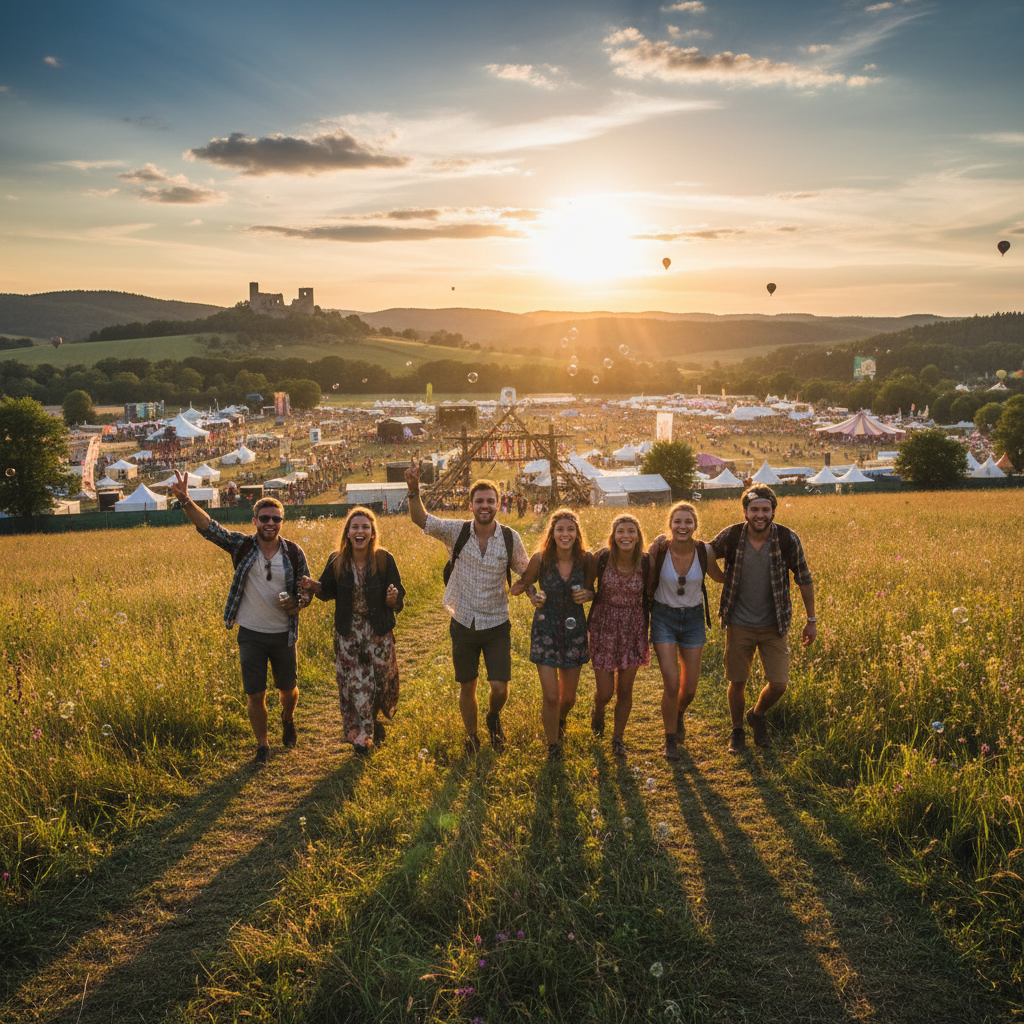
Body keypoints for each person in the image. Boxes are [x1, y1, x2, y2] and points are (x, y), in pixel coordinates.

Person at [169, 471, 310, 767]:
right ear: (255, 521)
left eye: (275, 519)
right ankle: (262, 746)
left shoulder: (295, 553)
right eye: (264, 518)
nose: (270, 523)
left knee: (288, 691)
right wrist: (186, 502)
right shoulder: (243, 546)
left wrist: (297, 603)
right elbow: (211, 528)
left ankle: (287, 718)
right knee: (255, 694)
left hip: (283, 634)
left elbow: (306, 592)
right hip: (251, 634)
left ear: (281, 522)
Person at [405, 465, 529, 754]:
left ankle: (493, 716)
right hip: (463, 620)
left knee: (499, 687)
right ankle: (472, 737)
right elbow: (421, 519)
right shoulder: (456, 531)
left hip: (497, 622)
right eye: (479, 501)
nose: (485, 506)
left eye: (490, 501)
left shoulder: (510, 537)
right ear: (470, 504)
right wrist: (413, 489)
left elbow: (524, 570)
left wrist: (531, 590)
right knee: (468, 685)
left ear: (498, 504)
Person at [709, 485, 816, 754]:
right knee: (738, 681)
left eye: (765, 510)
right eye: (754, 509)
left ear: (773, 511)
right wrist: (718, 576)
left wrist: (811, 619)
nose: (760, 515)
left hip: (774, 624)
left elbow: (803, 578)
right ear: (745, 511)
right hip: (739, 622)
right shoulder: (733, 535)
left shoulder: (787, 538)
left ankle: (757, 714)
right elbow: (706, 551)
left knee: (779, 684)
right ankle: (737, 732)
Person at [299, 507, 404, 758]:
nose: (360, 531)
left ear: (372, 533)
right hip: (349, 632)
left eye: (365, 527)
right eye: (355, 527)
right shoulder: (337, 560)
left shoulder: (384, 559)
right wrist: (315, 587)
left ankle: (373, 721)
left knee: (381, 682)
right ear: (347, 533)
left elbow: (398, 595)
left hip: (379, 630)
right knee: (358, 684)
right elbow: (327, 591)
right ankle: (362, 736)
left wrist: (392, 599)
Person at [510, 509, 595, 760]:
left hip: (574, 631)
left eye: (570, 529)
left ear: (577, 533)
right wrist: (532, 594)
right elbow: (522, 586)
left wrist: (589, 595)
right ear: (552, 533)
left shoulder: (587, 560)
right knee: (550, 696)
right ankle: (553, 747)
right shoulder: (541, 559)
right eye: (560, 529)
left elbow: (593, 590)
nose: (565, 534)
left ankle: (559, 720)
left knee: (567, 698)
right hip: (545, 630)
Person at [648, 502, 724, 762]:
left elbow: (718, 576)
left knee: (689, 689)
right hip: (663, 617)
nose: (682, 526)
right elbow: (641, 569)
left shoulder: (705, 551)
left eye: (688, 522)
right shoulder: (659, 550)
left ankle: (678, 713)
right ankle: (670, 740)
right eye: (677, 522)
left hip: (693, 618)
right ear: (670, 525)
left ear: (695, 525)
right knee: (671, 684)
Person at [586, 513, 651, 759]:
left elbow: (651, 593)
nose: (626, 536)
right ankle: (598, 710)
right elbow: (587, 588)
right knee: (605, 691)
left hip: (634, 628)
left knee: (625, 690)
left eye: (631, 531)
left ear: (638, 536)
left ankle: (618, 738)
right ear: (613, 536)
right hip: (603, 627)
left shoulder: (646, 562)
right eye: (621, 531)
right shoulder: (601, 558)